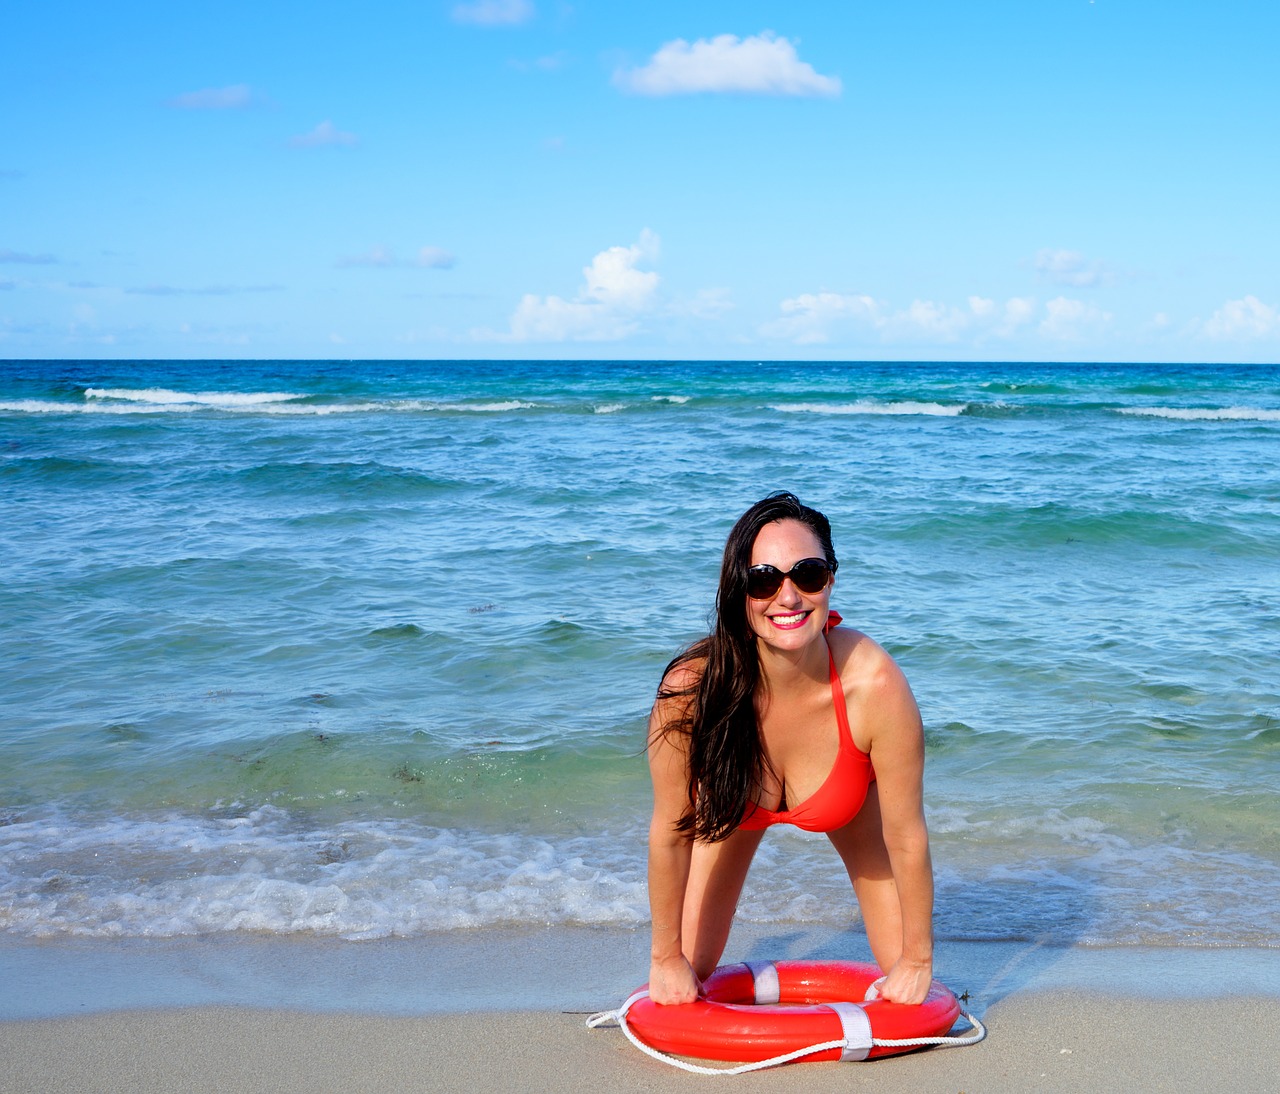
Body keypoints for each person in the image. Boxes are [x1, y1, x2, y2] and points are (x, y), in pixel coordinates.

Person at [646, 491, 934, 1007]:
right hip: (735, 809)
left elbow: (907, 835)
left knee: (905, 978)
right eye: (763, 579)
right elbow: (670, 832)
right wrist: (664, 959)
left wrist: (918, 961)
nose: (788, 597)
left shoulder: (874, 685)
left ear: (830, 580)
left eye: (807, 574)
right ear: (739, 592)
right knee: (690, 966)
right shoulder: (690, 690)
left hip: (848, 809)